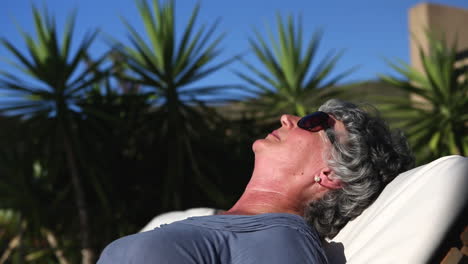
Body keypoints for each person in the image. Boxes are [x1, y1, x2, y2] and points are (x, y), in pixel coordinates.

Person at [97, 99, 414, 264]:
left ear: (331, 174)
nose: (288, 119)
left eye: (314, 123)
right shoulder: (226, 227)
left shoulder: (282, 241)